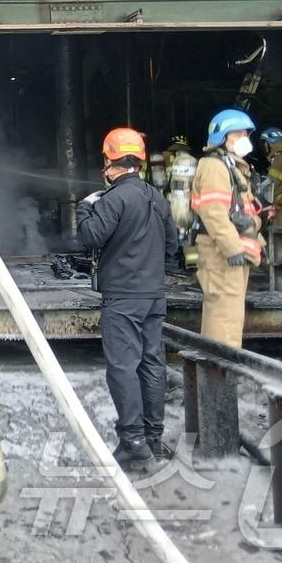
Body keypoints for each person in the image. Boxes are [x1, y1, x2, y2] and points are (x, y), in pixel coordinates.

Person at [76, 128, 178, 466]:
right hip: (153, 296)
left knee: (123, 367)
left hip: (122, 298)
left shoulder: (114, 199)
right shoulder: (156, 197)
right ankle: (154, 438)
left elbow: (91, 237)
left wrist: (84, 210)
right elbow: (172, 248)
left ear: (109, 161)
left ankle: (132, 440)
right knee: (152, 364)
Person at [190, 109, 264, 347]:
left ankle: (221, 370)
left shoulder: (232, 166)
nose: (244, 138)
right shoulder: (214, 166)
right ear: (222, 137)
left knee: (229, 316)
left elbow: (245, 211)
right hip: (222, 255)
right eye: (238, 133)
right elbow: (214, 215)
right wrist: (232, 249)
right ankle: (221, 375)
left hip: (236, 253)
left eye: (245, 133)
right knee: (224, 319)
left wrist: (258, 244)